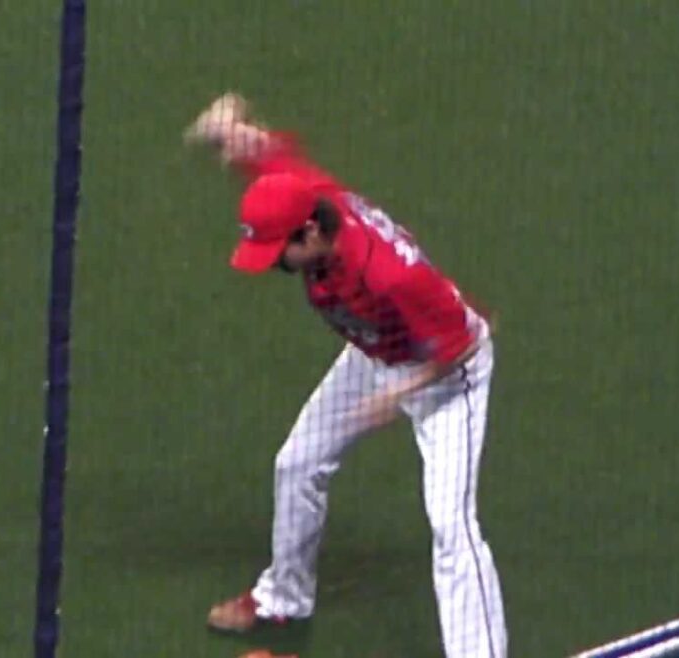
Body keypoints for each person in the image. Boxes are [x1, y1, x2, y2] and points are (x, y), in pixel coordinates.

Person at [184, 93, 508, 658]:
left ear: (309, 235)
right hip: (377, 353)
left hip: (445, 377)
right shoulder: (304, 195)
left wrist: (399, 394)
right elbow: (267, 156)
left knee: (451, 528)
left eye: (276, 249)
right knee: (297, 463)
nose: (272, 262)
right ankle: (283, 598)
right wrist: (229, 132)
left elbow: (469, 339)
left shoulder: (389, 276)